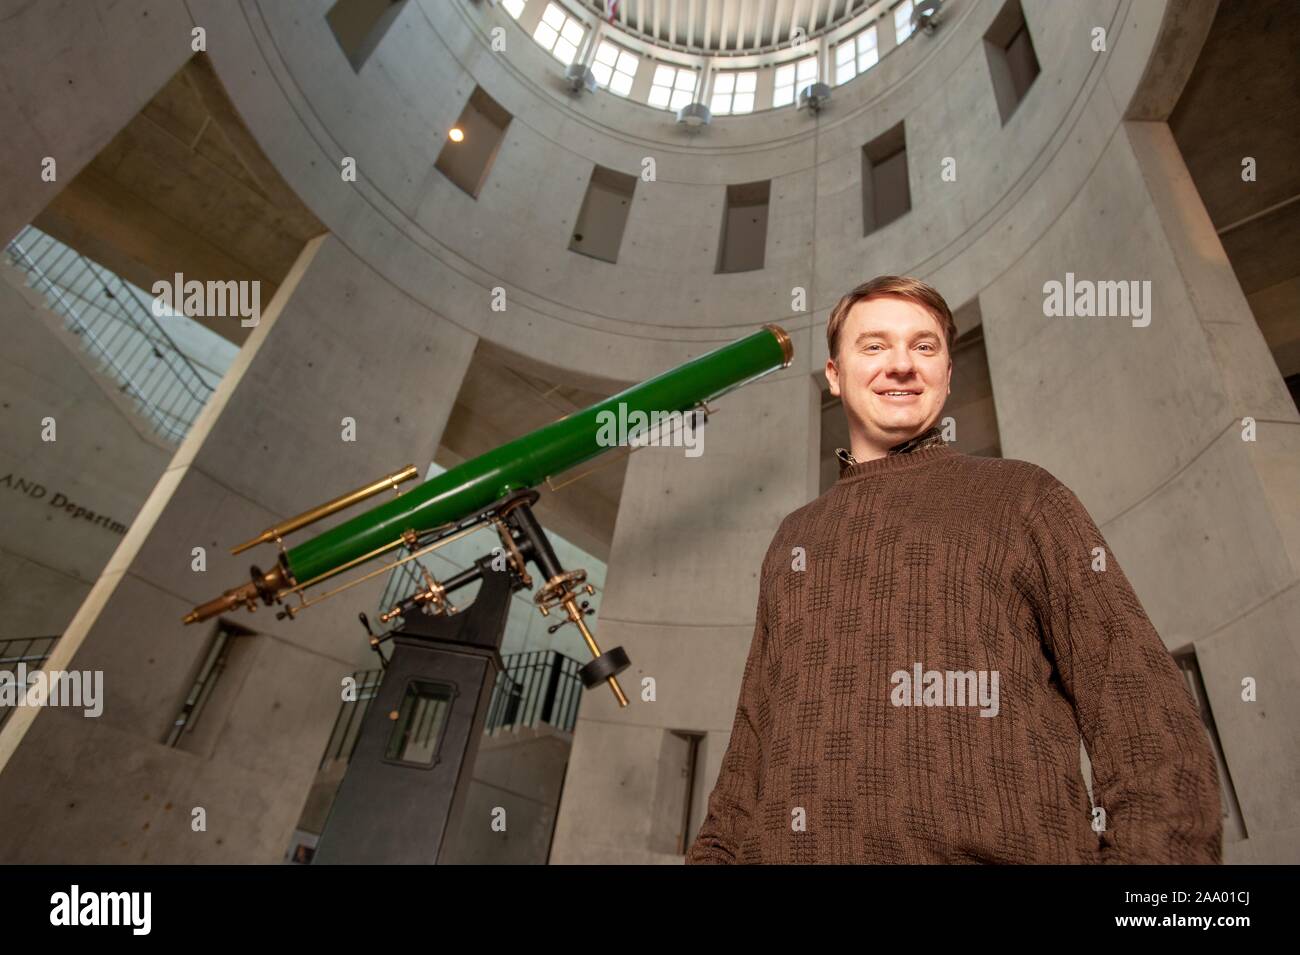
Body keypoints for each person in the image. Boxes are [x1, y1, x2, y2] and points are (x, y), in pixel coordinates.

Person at [685, 276, 1222, 864]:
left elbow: (1144, 713)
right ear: (835, 375)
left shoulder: (1023, 496)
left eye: (924, 346)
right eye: (874, 346)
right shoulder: (795, 539)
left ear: (946, 373)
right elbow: (749, 751)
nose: (901, 365)